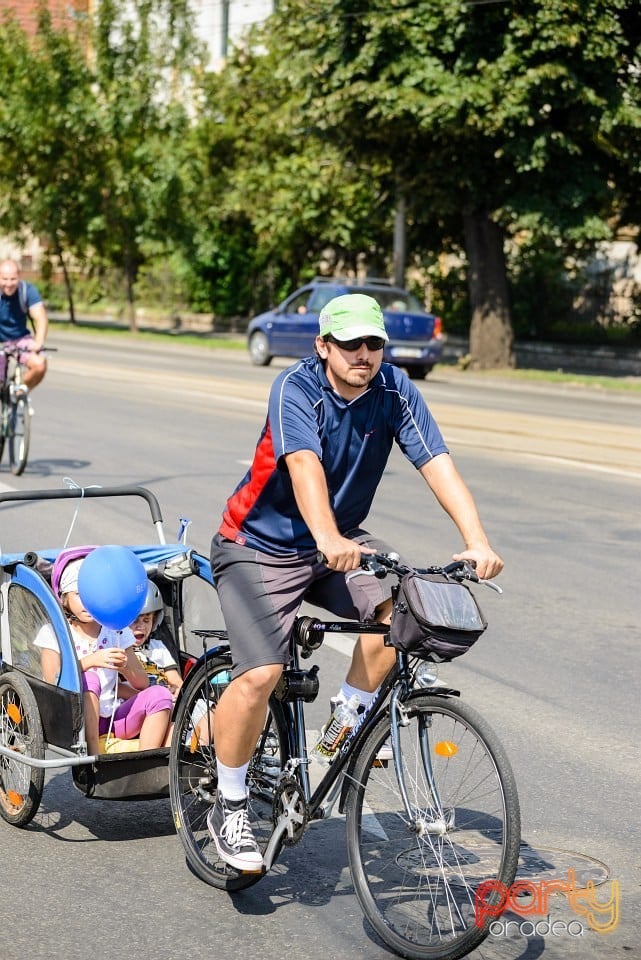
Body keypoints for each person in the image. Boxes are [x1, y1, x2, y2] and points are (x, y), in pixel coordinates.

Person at [207, 292, 503, 871]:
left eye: (374, 343)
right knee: (262, 673)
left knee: (407, 615)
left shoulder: (394, 389)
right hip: (257, 547)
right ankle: (231, 802)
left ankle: (344, 724)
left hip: (339, 540)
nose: (364, 355)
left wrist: (478, 540)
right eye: (350, 345)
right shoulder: (296, 388)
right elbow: (304, 466)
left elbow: (436, 461)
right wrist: (325, 536)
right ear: (324, 347)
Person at [55, 555, 173, 755]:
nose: (86, 602)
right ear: (65, 598)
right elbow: (53, 678)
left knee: (160, 694)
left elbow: (142, 683)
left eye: (91, 595)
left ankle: (147, 763)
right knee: (90, 679)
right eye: (78, 595)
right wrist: (91, 661)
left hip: (114, 717)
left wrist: (125, 666)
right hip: (74, 720)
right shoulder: (56, 631)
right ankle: (93, 760)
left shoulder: (114, 629)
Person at [0, 258, 49, 394]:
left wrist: (38, 342)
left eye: (13, 279)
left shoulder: (27, 291)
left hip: (20, 339)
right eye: (4, 279)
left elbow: (41, 318)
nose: (9, 284)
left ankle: (18, 393)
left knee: (39, 365)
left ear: (19, 277)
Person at [129, 581, 183, 699]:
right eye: (134, 621)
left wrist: (177, 691)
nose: (141, 626)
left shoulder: (158, 647)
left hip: (167, 699)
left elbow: (176, 682)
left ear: (155, 621)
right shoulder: (119, 649)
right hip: (138, 702)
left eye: (147, 620)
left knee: (206, 709)